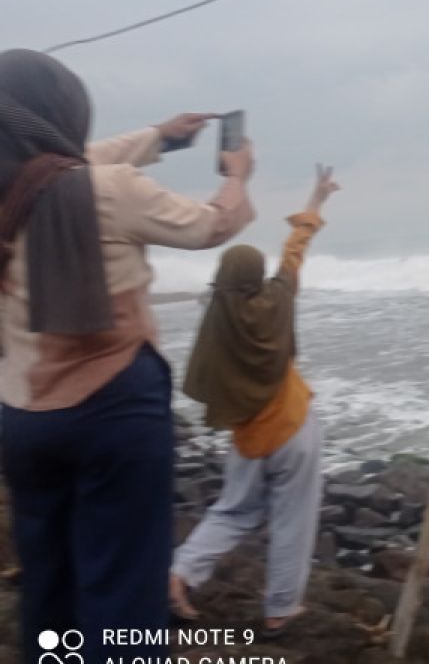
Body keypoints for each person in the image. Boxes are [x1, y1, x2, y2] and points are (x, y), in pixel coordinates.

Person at [0, 49, 255, 664]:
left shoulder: (21, 188)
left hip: (20, 415)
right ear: (64, 112)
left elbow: (72, 167)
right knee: (124, 589)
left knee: (49, 580)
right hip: (112, 408)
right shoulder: (107, 191)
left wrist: (160, 137)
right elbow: (211, 228)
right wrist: (237, 177)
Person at [170, 163, 339, 635]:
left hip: (247, 436)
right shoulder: (278, 299)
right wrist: (317, 197)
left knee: (232, 510)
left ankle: (179, 573)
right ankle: (281, 607)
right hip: (293, 426)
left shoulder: (214, 316)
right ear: (256, 276)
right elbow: (295, 250)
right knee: (294, 518)